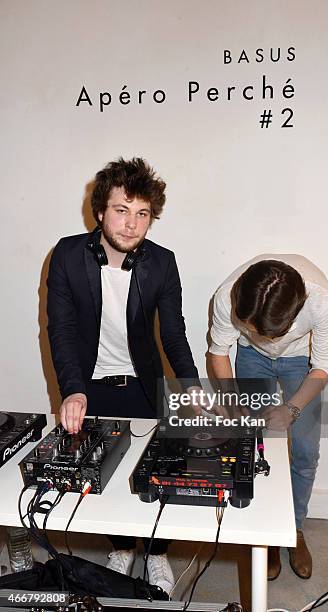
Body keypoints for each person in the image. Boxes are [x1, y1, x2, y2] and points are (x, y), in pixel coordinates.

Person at [47, 157, 200, 593]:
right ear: (100, 211)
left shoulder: (163, 263)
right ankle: (122, 546)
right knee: (103, 474)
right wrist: (73, 390)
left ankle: (156, 552)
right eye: (121, 210)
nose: (132, 225)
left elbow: (173, 334)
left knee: (162, 471)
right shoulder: (67, 255)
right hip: (90, 384)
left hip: (142, 382)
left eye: (143, 214)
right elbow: (61, 328)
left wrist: (190, 387)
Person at [208, 254, 328, 580]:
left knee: (306, 451)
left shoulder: (321, 299)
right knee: (254, 447)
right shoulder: (227, 295)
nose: (262, 334)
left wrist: (291, 409)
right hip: (250, 358)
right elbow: (220, 351)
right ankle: (263, 535)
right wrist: (232, 399)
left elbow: (323, 365)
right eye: (251, 327)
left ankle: (294, 531)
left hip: (299, 362)